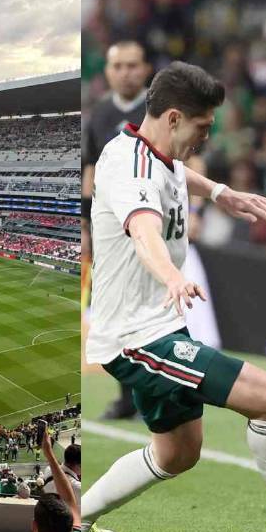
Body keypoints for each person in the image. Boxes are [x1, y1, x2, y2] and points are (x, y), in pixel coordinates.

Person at [82, 61, 266, 532]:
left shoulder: (152, 152)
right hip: (137, 336)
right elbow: (143, 230)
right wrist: (174, 275)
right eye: (203, 126)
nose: (207, 137)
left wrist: (223, 193)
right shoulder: (127, 165)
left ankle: (80, 518)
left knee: (178, 452)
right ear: (175, 117)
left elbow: (176, 173)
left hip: (158, 327)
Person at [83, 40, 152, 420]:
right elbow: (90, 169)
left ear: (144, 69)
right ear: (108, 72)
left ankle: (150, 395)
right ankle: (127, 395)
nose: (125, 72)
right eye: (118, 66)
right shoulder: (99, 114)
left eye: (132, 65)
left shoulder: (158, 110)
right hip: (111, 230)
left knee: (149, 311)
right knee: (118, 314)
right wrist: (85, 224)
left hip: (150, 223)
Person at [0, 426, 80, 532]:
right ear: (70, 530)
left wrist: (48, 453)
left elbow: (69, 502)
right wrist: (49, 454)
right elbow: (70, 501)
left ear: (34, 526)